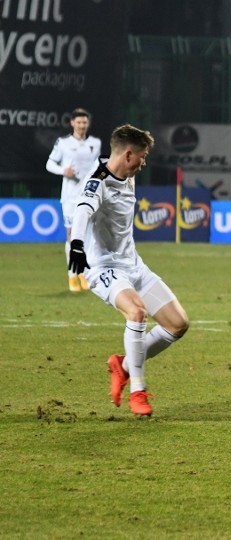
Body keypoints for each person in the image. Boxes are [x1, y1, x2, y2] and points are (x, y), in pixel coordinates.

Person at [68, 124, 190, 416]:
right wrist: (76, 245)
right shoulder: (98, 182)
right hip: (104, 268)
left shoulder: (126, 175)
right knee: (137, 312)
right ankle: (137, 389)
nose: (144, 163)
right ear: (127, 154)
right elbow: (83, 209)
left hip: (134, 265)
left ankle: (122, 365)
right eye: (142, 157)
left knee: (178, 323)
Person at [45, 108, 102, 292]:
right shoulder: (63, 143)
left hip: (89, 195)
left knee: (87, 236)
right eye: (78, 122)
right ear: (72, 123)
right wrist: (64, 171)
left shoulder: (95, 143)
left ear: (88, 124)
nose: (81, 125)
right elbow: (49, 163)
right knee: (72, 236)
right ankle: (72, 277)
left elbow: (96, 166)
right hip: (70, 197)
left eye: (84, 122)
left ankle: (83, 273)